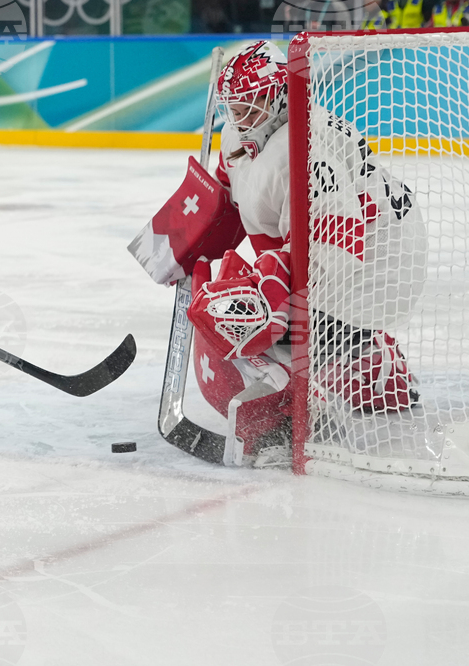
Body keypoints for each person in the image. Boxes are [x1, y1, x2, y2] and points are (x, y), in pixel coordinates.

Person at [138, 41, 426, 466]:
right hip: (334, 248)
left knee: (246, 320)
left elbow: (338, 253)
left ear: (279, 100)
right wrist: (185, 236)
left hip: (380, 264)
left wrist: (271, 298)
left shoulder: (307, 151)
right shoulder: (246, 132)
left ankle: (306, 400)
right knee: (253, 308)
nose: (238, 116)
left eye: (250, 105)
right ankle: (368, 360)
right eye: (232, 107)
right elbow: (229, 196)